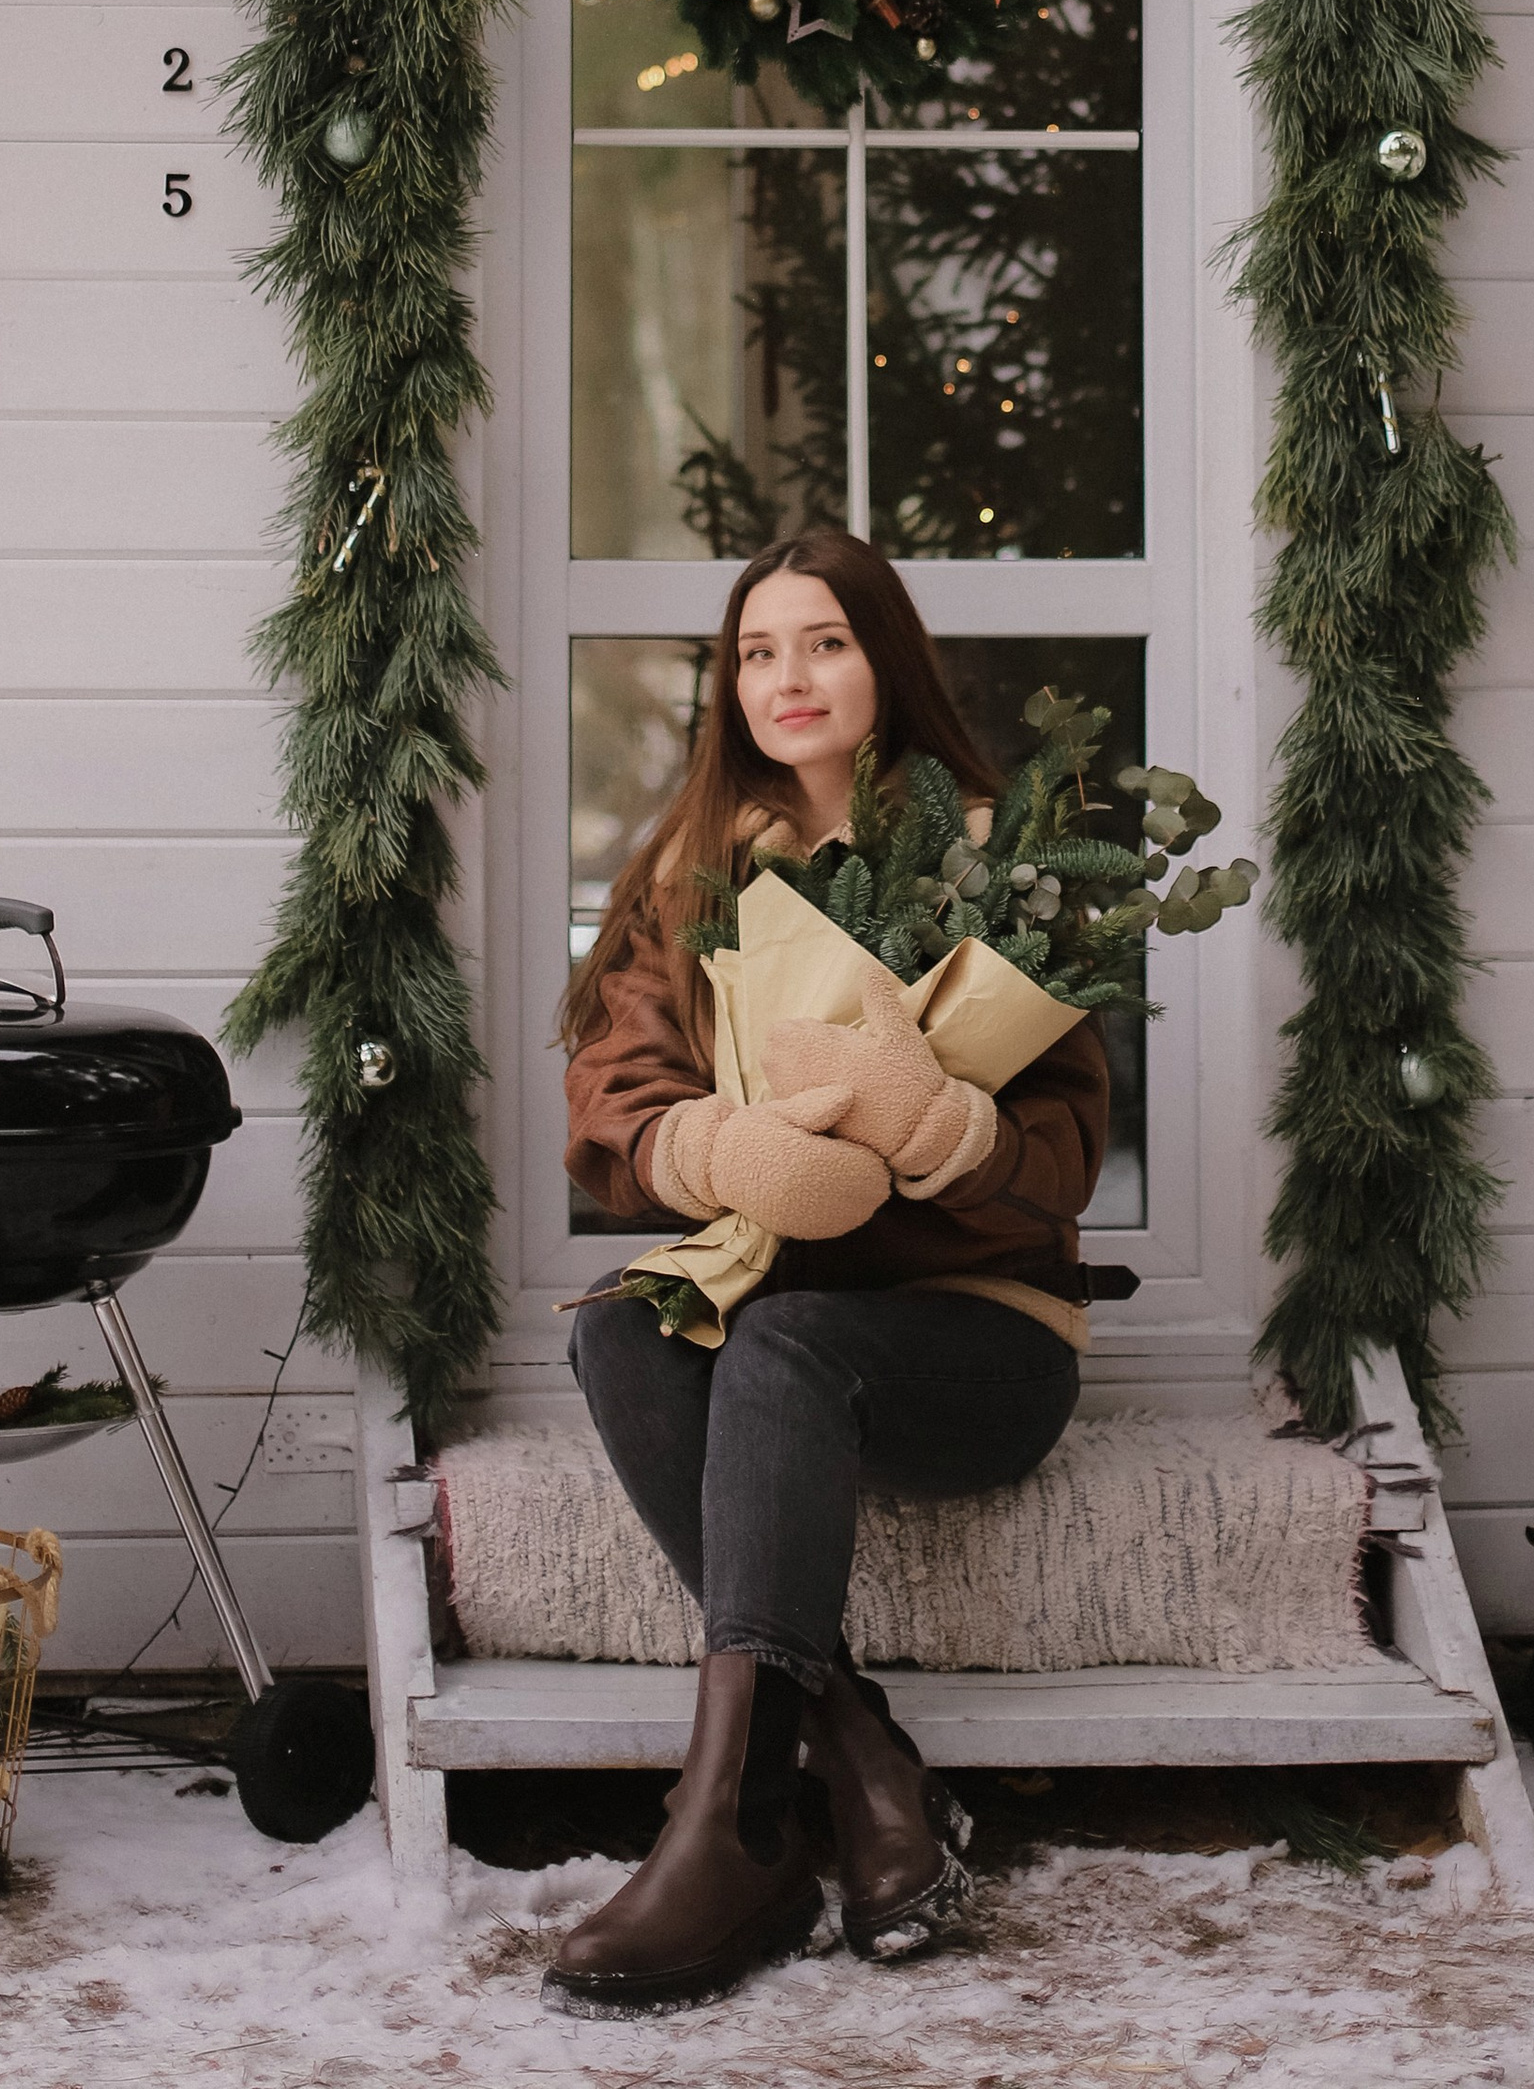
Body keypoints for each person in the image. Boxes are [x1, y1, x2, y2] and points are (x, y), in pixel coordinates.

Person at [549, 528, 1109, 2014]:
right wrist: (716, 1155)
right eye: (755, 652)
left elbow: (1066, 1151)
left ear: (885, 662)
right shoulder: (692, 877)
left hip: (981, 1334)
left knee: (786, 1348)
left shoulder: (1005, 863)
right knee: (624, 1331)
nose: (786, 679)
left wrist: (952, 1130)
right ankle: (856, 1769)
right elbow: (616, 1093)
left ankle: (724, 1825)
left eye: (824, 644)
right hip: (785, 1294)